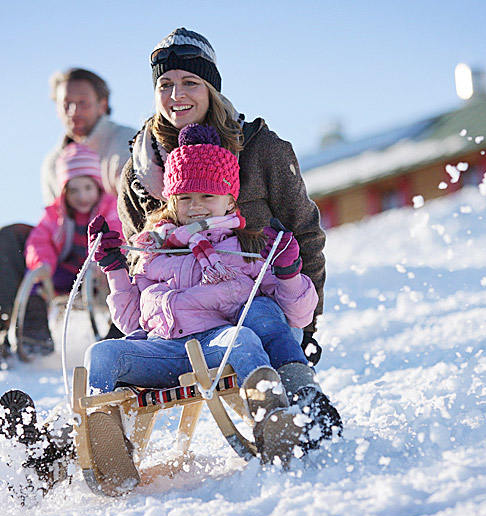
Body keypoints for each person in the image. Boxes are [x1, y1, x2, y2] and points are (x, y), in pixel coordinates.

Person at [0, 125, 337, 497]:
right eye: (185, 196)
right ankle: (105, 440)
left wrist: (289, 273)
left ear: (230, 200)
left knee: (245, 338)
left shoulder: (248, 247)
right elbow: (129, 322)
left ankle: (271, 417)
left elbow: (297, 317)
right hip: (161, 349)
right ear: (171, 200)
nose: (197, 205)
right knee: (103, 352)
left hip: (213, 347)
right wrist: (115, 271)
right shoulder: (153, 251)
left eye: (209, 194)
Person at [117, 28, 335, 427]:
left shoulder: (262, 150)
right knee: (111, 355)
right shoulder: (139, 172)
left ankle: (301, 406)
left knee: (264, 315)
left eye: (189, 83)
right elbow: (139, 266)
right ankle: (74, 439)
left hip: (253, 306)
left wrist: (309, 320)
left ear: (211, 88)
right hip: (180, 323)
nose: (176, 95)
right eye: (165, 84)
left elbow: (305, 235)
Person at [0, 68, 136, 371]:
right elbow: (55, 222)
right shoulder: (53, 162)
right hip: (71, 253)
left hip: (122, 246)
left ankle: (124, 338)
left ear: (102, 104)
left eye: (83, 102)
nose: (74, 111)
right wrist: (42, 264)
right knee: (11, 236)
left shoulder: (125, 142)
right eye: (66, 104)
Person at [17, 143, 122, 355]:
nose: (81, 196)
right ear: (64, 191)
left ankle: (118, 332)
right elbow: (39, 240)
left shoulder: (110, 208)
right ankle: (35, 332)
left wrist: (105, 263)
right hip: (65, 273)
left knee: (123, 279)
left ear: (98, 187)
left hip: (98, 275)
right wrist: (42, 264)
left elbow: (117, 232)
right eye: (74, 190)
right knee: (34, 277)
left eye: (87, 188)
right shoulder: (55, 214)